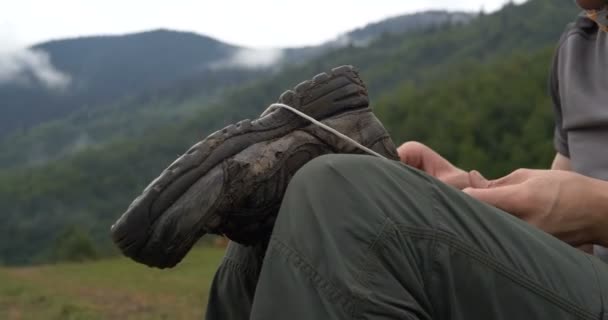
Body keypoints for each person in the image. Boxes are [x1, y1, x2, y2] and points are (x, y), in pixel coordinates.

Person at [110, 1, 608, 319]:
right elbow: (569, 227)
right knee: (280, 224)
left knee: (341, 196)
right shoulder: (581, 47)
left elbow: (587, 209)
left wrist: (599, 211)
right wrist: (472, 190)